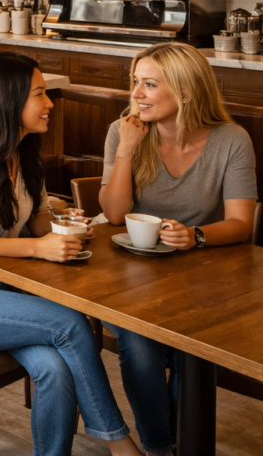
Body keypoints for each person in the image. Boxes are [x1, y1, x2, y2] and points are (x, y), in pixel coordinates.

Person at [0, 52, 141, 456]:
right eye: (39, 94)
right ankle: (122, 447)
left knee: (53, 368)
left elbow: (34, 220)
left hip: (2, 289)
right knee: (71, 325)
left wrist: (65, 227)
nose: (49, 103)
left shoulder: (23, 151)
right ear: (7, 99)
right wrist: (39, 247)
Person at [99, 42, 257, 456]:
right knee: (139, 346)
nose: (136, 94)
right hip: (131, 279)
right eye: (136, 82)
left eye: (149, 84)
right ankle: (159, 447)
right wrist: (127, 149)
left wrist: (196, 236)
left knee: (196, 347)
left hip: (205, 277)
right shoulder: (123, 131)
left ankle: (172, 440)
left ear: (185, 92)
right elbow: (115, 215)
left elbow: (241, 223)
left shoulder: (231, 140)